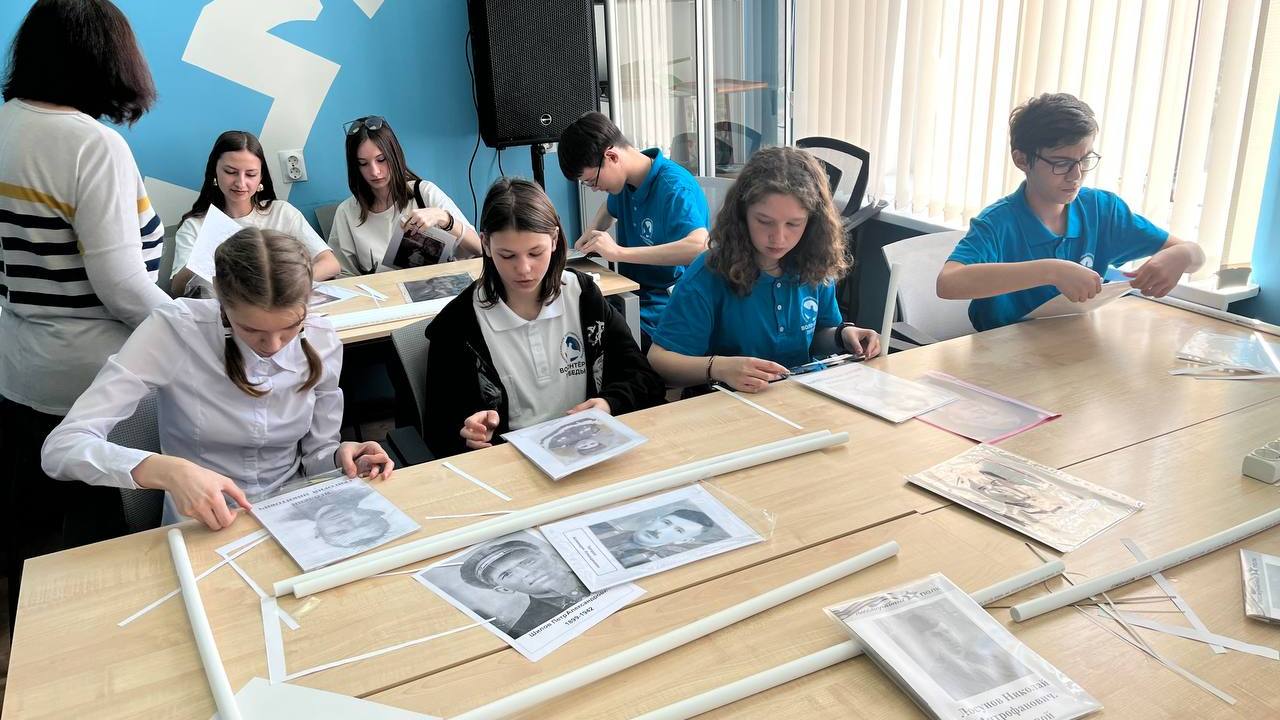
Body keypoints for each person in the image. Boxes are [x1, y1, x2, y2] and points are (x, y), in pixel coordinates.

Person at [0, 0, 171, 630]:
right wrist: (194, 325)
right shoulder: (91, 145)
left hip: (19, 369)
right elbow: (123, 286)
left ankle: (34, 653)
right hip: (94, 383)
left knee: (31, 535)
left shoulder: (6, 126)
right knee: (105, 550)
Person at [41, 229, 394, 531]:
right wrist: (167, 471)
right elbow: (61, 448)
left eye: (290, 328)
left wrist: (340, 457)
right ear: (221, 301)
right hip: (203, 522)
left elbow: (317, 455)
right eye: (251, 330)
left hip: (295, 514)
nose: (273, 346)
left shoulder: (322, 338)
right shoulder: (175, 330)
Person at [423, 177, 665, 458]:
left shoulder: (583, 297)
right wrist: (468, 431)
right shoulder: (458, 324)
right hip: (508, 461)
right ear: (486, 244)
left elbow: (643, 378)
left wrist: (609, 403)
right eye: (507, 256)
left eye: (535, 253)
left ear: (554, 240)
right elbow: (437, 430)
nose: (524, 269)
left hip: (590, 448)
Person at [936, 92, 1206, 331]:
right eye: (1061, 163)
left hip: (1072, 344)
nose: (1076, 175)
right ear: (1022, 160)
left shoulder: (1102, 210)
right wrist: (1050, 271)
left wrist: (1182, 254)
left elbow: (1195, 257)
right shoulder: (998, 223)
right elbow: (948, 283)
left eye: (1085, 160)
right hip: (1001, 352)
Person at [648, 146, 880, 393]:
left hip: (796, 397)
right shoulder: (709, 274)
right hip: (727, 403)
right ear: (742, 214)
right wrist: (718, 367)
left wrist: (842, 335)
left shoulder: (813, 263)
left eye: (794, 224)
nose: (778, 238)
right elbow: (660, 360)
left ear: (812, 221)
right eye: (764, 221)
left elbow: (818, 333)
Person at [558, 112, 710, 345]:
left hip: (669, 308)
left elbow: (699, 246)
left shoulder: (674, 188)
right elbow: (608, 209)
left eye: (591, 181)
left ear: (611, 156)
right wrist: (591, 232)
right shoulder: (627, 182)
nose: (594, 188)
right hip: (635, 297)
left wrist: (618, 252)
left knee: (598, 341)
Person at [170, 130, 340, 295]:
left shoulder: (281, 213)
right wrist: (203, 256)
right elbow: (177, 288)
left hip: (283, 306)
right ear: (214, 171)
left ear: (261, 177)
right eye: (230, 172)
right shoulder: (195, 225)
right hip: (220, 311)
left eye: (251, 174)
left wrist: (287, 288)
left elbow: (330, 263)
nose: (240, 183)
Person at [329, 115, 481, 275]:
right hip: (383, 291)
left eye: (381, 159)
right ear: (355, 167)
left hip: (442, 287)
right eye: (363, 163)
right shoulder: (346, 212)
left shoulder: (425, 193)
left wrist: (444, 218)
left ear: (394, 155)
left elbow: (479, 249)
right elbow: (342, 276)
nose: (374, 171)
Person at [459, 538, 590, 638]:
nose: (526, 572)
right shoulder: (527, 629)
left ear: (552, 558)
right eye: (507, 574)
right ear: (504, 589)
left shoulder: (594, 571)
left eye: (528, 562)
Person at [589, 508, 717, 569]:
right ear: (654, 519)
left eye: (678, 530)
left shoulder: (651, 565)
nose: (660, 530)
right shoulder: (600, 529)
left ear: (684, 540)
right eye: (666, 522)